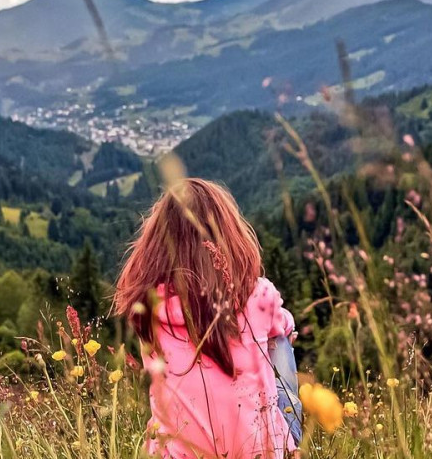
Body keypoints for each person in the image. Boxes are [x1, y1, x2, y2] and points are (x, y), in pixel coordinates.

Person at [114, 178, 302, 458]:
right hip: (258, 451)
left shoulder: (147, 307)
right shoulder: (258, 294)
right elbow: (282, 326)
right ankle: (290, 447)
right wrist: (280, 328)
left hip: (174, 453)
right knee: (281, 340)